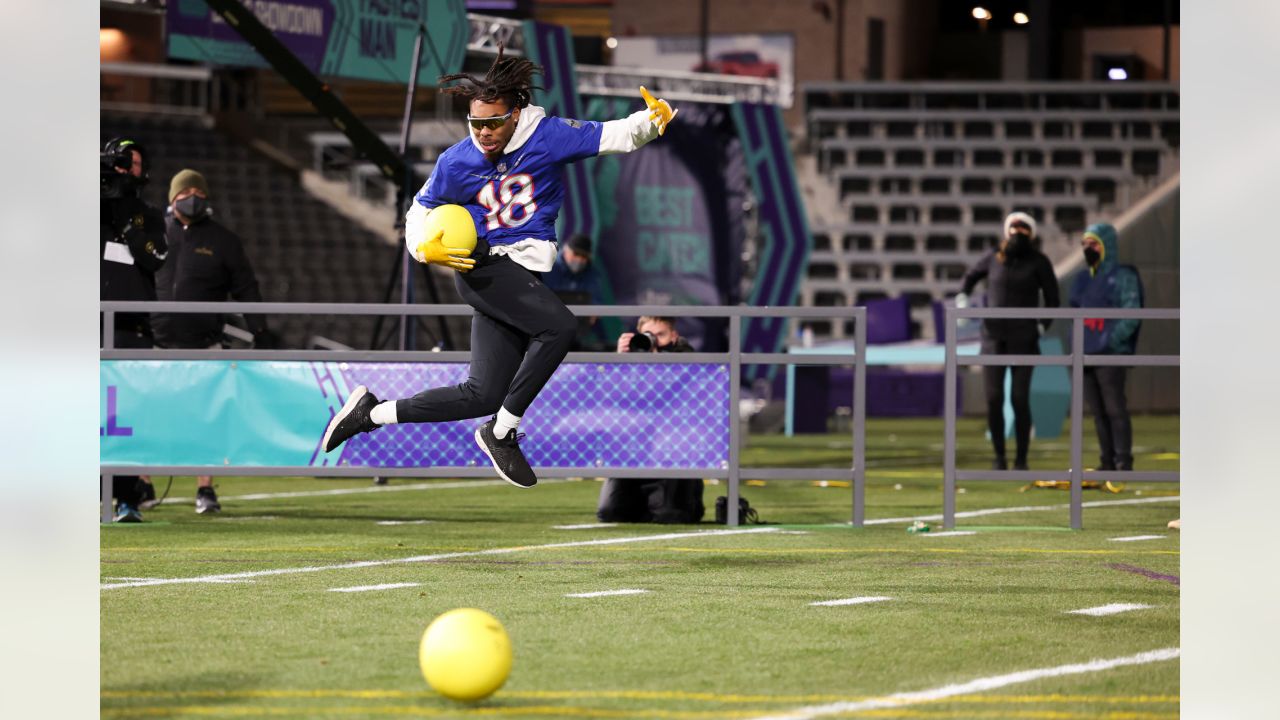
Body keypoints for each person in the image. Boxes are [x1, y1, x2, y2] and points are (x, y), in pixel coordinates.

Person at [320, 48, 678, 488]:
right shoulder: (455, 160)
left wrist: (651, 121)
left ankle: (370, 412)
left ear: (516, 114)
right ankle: (502, 431)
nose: (484, 133)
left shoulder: (546, 136)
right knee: (561, 328)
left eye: (493, 122)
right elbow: (419, 209)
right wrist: (422, 248)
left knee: (481, 394)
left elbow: (611, 135)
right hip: (484, 266)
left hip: (523, 273)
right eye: (476, 124)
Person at [151, 169, 276, 514]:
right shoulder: (152, 234)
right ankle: (140, 484)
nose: (191, 196)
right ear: (171, 197)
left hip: (204, 344)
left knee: (205, 418)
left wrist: (260, 331)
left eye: (197, 190)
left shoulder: (224, 240)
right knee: (147, 415)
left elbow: (246, 288)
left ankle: (204, 488)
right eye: (184, 191)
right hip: (154, 344)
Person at [100, 136, 168, 522]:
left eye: (133, 163)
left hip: (130, 328)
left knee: (123, 417)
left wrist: (127, 220)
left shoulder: (147, 215)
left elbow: (155, 258)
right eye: (119, 162)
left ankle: (127, 496)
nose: (126, 169)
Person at [959, 211, 1060, 471]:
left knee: (1019, 398)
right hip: (993, 339)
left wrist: (1041, 326)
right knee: (993, 399)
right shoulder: (994, 258)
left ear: (1032, 233)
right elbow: (970, 277)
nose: (1018, 232)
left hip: (1024, 339)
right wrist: (963, 297)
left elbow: (1053, 299)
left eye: (1024, 228)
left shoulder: (1039, 261)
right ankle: (999, 456)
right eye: (1014, 227)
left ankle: (1021, 459)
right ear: (1007, 230)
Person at [598, 317, 704, 523]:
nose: (652, 341)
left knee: (671, 516)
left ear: (674, 336)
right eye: (647, 336)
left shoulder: (686, 357)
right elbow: (609, 398)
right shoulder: (632, 359)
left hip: (672, 451)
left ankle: (684, 502)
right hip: (633, 450)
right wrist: (620, 360)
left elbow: (670, 392)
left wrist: (654, 359)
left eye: (660, 335)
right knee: (611, 513)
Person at [1069, 222, 1143, 472]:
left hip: (1111, 354)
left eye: (1094, 244)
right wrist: (1080, 345)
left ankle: (1123, 460)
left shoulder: (1125, 276)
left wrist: (1110, 341)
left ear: (1106, 246)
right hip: (1086, 354)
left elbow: (1132, 315)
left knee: (1114, 408)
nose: (1088, 249)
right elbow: (1074, 314)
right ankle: (1107, 460)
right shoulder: (1081, 279)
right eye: (1085, 244)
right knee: (1098, 412)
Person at [543, 233, 607, 349]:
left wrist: (594, 312)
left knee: (600, 339)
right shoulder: (547, 267)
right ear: (566, 250)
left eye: (583, 256)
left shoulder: (592, 274)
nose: (579, 259)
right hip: (548, 330)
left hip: (581, 332)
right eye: (576, 254)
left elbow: (596, 303)